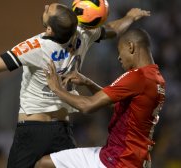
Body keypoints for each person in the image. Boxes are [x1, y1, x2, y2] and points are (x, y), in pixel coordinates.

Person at [0, 2, 149, 168]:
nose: (45, 7)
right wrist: (131, 17)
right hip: (62, 130)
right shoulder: (83, 34)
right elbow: (112, 30)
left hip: (32, 131)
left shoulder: (34, 46)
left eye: (48, 11)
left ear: (48, 29)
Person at [37, 28, 166, 168]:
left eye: (119, 50)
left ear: (131, 46)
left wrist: (57, 89)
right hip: (134, 160)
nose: (119, 57)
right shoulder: (157, 79)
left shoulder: (137, 77)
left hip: (118, 160)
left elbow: (88, 106)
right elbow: (116, 105)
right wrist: (88, 83)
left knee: (43, 164)